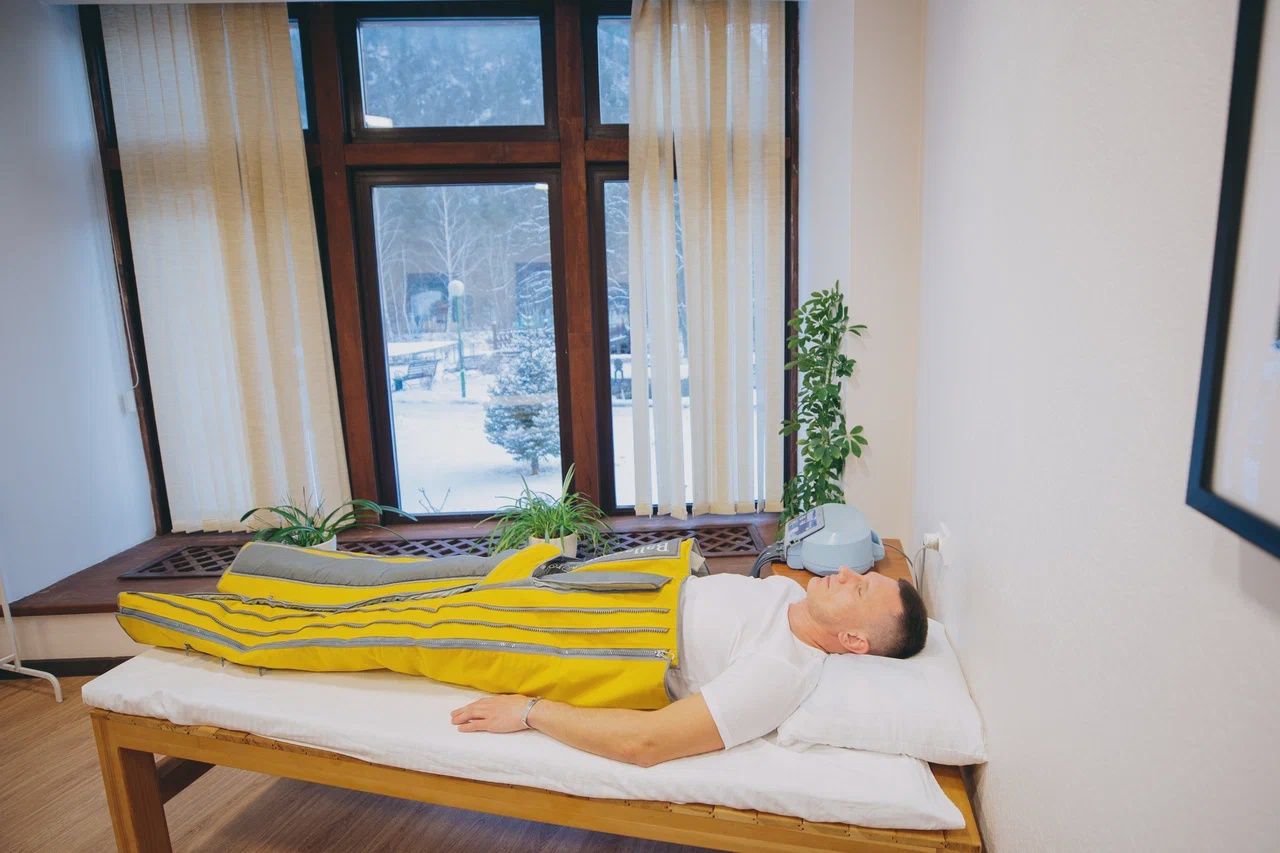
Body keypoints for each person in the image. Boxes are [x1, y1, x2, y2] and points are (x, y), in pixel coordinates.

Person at [451, 566, 928, 766]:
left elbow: (646, 742)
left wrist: (529, 712)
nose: (844, 573)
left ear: (853, 641)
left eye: (858, 588)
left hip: (591, 633)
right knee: (447, 580)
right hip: (613, 589)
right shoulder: (790, 592)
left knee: (430, 620)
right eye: (860, 575)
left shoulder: (780, 673)